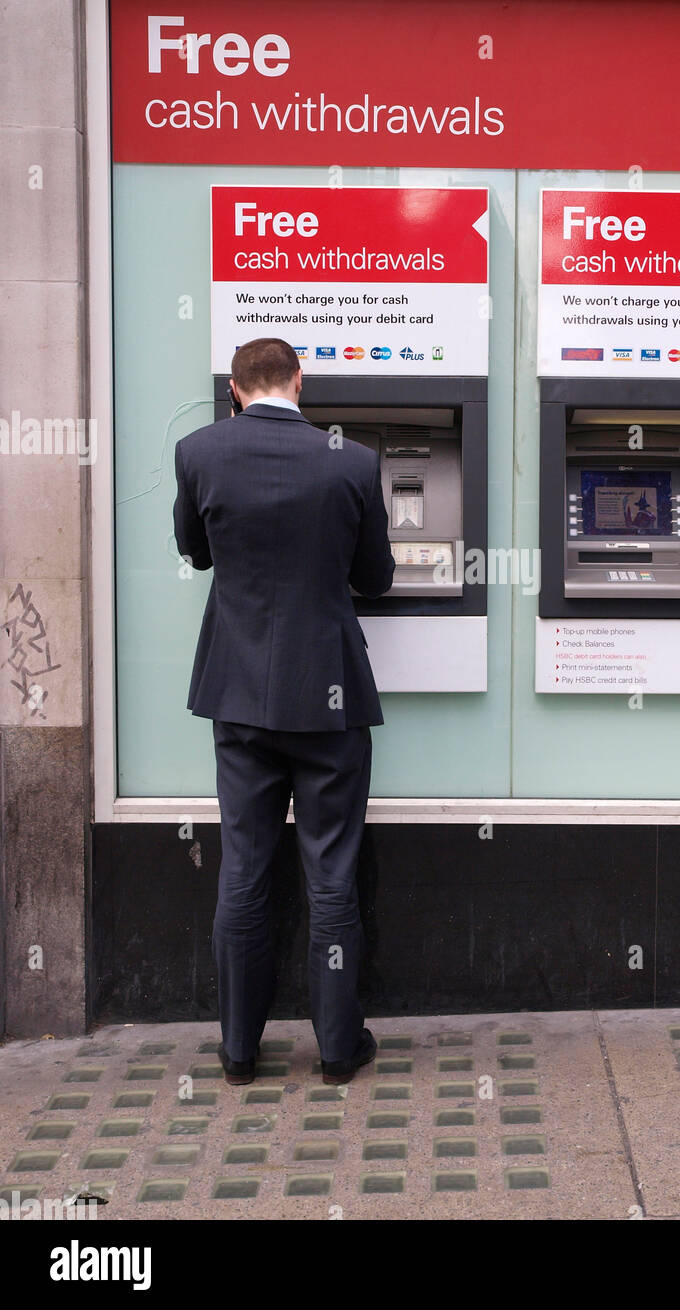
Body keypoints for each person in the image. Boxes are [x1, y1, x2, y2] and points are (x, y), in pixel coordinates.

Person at [173, 337, 394, 1085]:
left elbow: (195, 551)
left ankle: (238, 1050)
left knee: (244, 867)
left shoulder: (198, 451)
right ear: (301, 381)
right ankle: (337, 1050)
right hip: (326, 696)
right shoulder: (353, 460)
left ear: (235, 389)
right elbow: (377, 577)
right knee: (330, 872)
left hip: (237, 694)